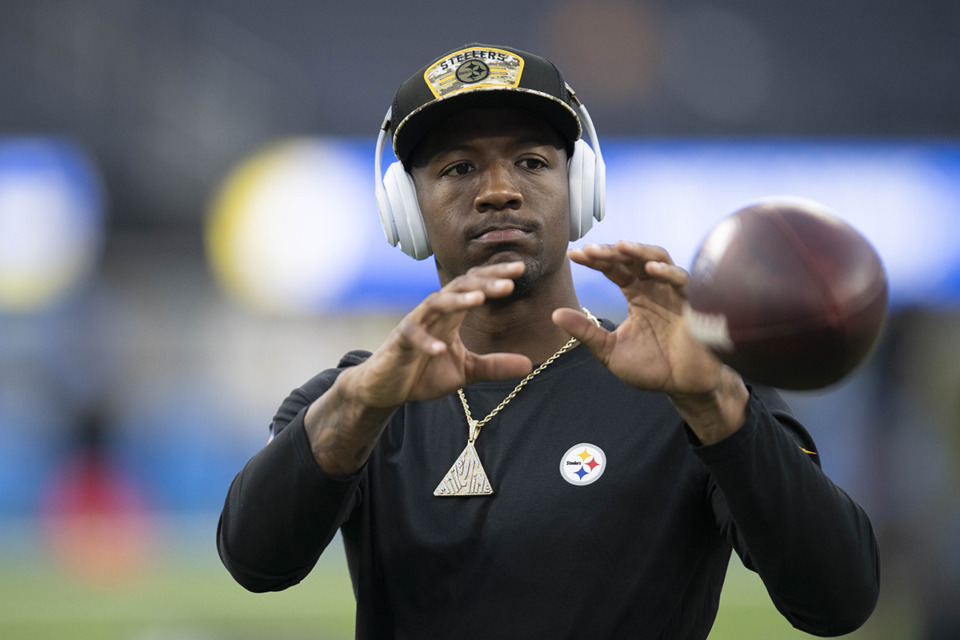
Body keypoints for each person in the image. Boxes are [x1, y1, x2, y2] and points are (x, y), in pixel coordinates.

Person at [217, 43, 880, 638]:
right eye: (457, 170)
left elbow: (838, 601)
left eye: (532, 162)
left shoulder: (689, 385)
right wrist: (360, 405)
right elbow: (255, 561)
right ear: (403, 209)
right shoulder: (357, 397)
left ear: (580, 188)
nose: (499, 191)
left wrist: (716, 404)